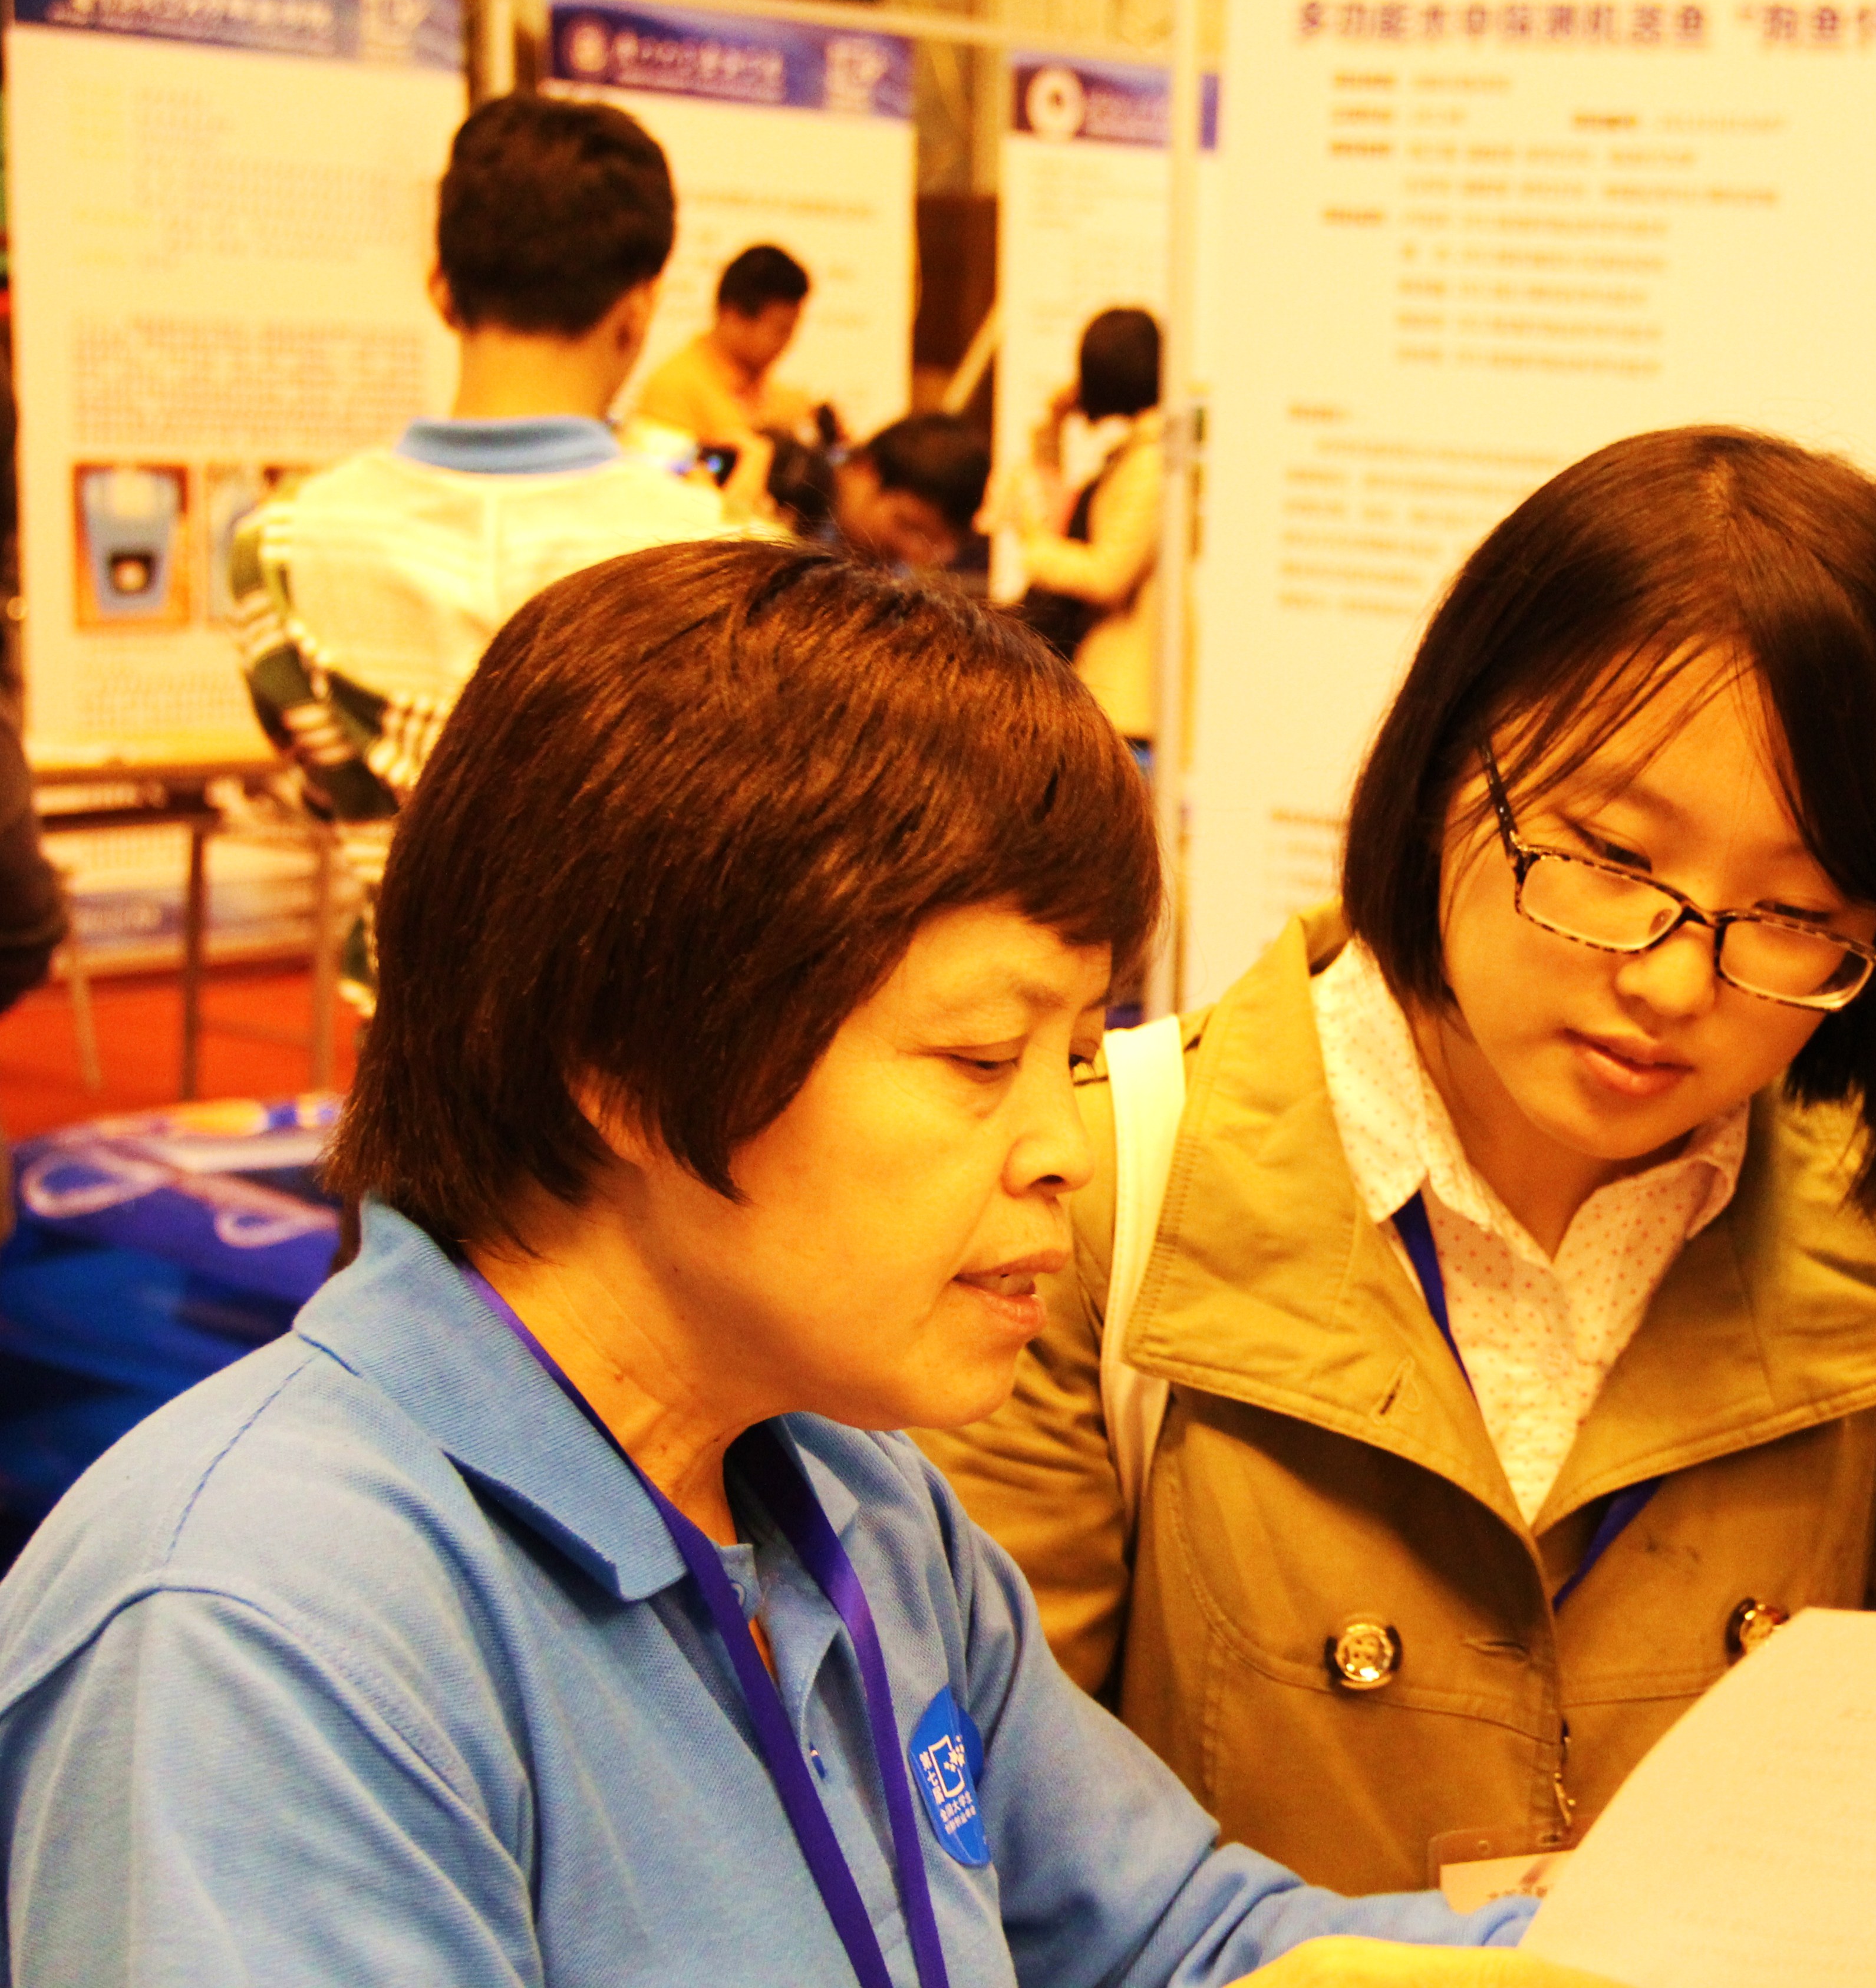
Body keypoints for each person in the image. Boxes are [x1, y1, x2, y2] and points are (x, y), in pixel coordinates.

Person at [0, 539, 1615, 1988]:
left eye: (1075, 1051)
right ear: (630, 1059)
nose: (1062, 1144)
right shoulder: (259, 1633)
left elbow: (1174, 1940)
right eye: (980, 1057)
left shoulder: (849, 1498)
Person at [924, 426, 1876, 1898]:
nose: (1674, 984)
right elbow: (987, 1865)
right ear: (1447, 763)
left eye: (1795, 915)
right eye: (1612, 861)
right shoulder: (1105, 1187)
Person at [228, 93, 742, 1010]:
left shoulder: (274, 545)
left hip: (405, 1035)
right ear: (639, 308)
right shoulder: (726, 563)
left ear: (439, 286)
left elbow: (323, 783)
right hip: (630, 1046)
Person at [1008, 307, 1165, 742]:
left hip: (1126, 689)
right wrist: (1053, 425)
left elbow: (1107, 575)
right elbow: (1063, 515)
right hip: (1110, 680)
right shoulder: (1138, 454)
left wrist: (1034, 547)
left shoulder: (1151, 461)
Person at [631, 240, 820, 456]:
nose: (788, 343)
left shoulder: (787, 402)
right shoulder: (672, 391)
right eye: (781, 330)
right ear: (733, 316)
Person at [833, 411, 994, 574]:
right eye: (908, 526)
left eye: (931, 545)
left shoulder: (886, 571)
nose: (911, 552)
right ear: (865, 472)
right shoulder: (816, 501)